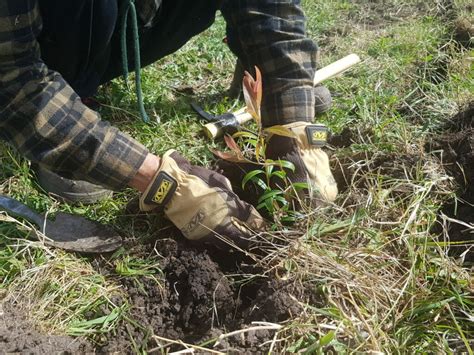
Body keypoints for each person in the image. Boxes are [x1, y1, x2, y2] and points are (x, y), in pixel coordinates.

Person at [0, 0, 337, 244]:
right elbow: (12, 81)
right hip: (43, 36)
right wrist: (162, 181)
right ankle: (72, 100)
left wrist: (295, 124)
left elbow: (270, 8)